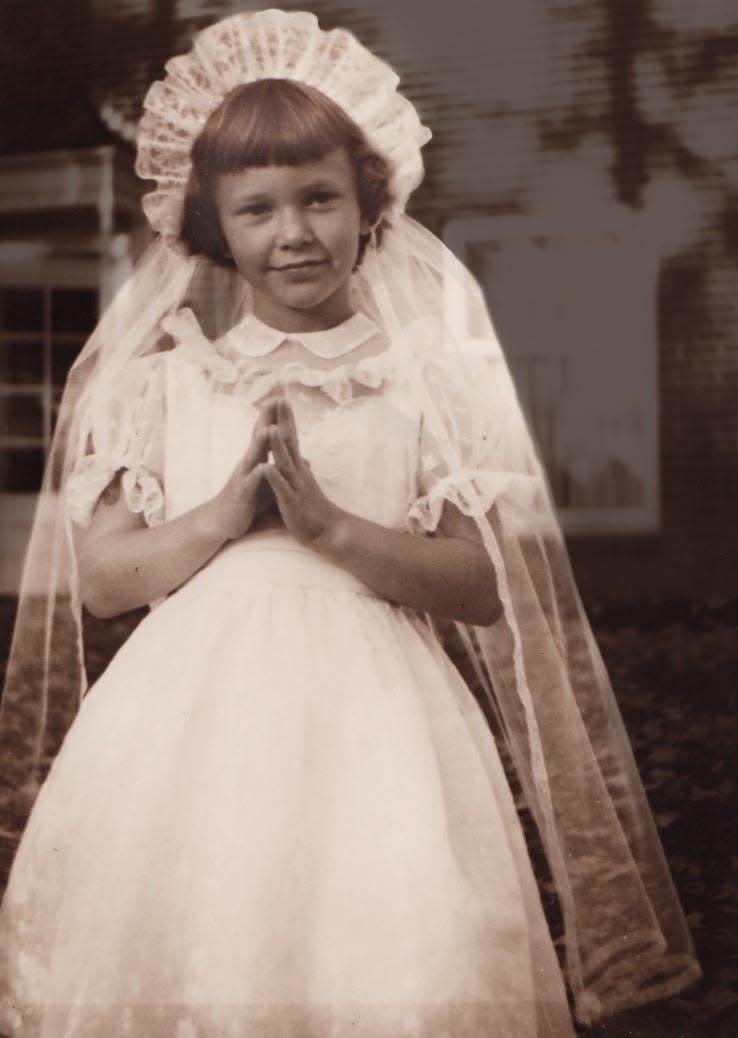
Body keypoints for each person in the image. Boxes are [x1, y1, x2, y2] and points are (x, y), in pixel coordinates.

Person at [0, 10, 700, 1038]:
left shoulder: (419, 383)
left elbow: (477, 586)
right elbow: (104, 584)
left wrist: (331, 530)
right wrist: (225, 514)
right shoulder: (160, 386)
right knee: (204, 947)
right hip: (188, 726)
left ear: (367, 203)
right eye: (259, 209)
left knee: (389, 958)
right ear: (212, 226)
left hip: (381, 729)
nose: (295, 233)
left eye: (320, 198)